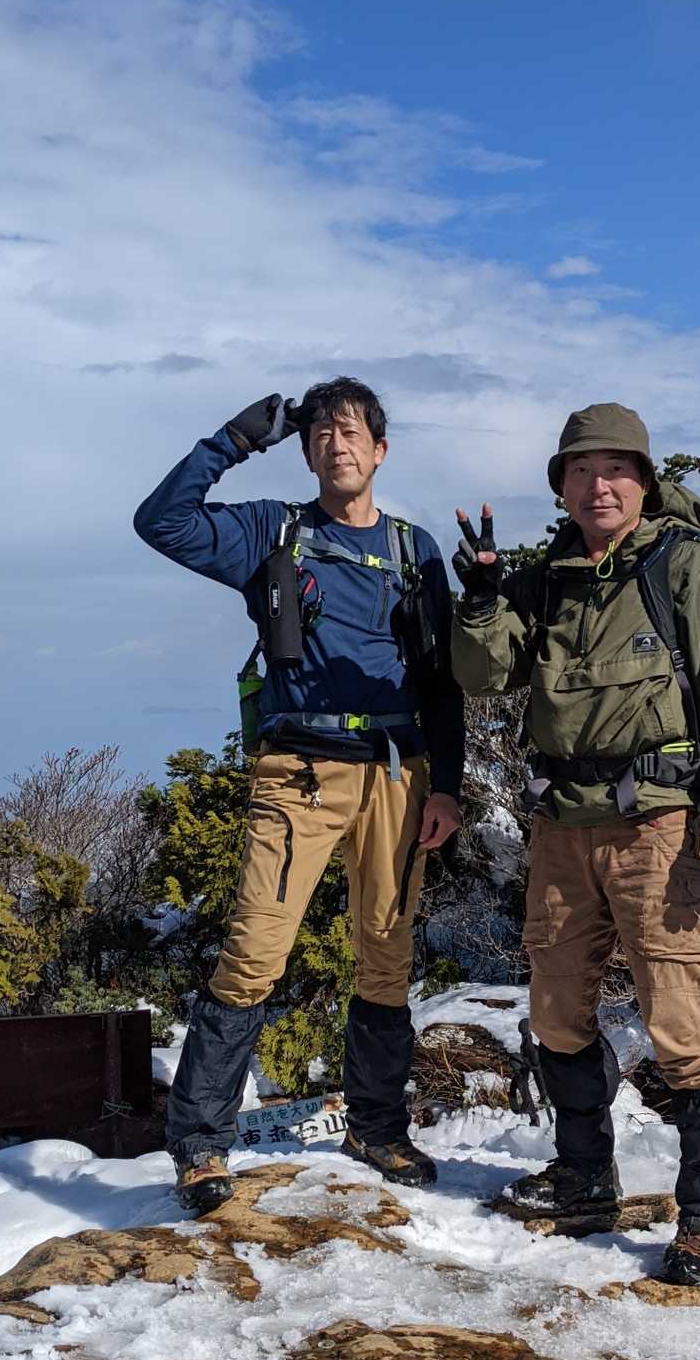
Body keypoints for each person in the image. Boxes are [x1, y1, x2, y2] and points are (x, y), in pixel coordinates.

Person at [451, 403, 700, 1285]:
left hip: (659, 826)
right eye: (581, 470)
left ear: (644, 479)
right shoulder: (545, 581)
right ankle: (585, 1178)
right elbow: (483, 675)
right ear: (561, 485)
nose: (599, 485)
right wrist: (481, 600)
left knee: (679, 1023)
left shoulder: (684, 566)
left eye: (616, 469)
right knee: (556, 1012)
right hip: (562, 827)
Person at [134, 378, 464, 1211]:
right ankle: (201, 1147)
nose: (335, 444)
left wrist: (449, 788)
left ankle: (377, 1126)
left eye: (350, 432)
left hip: (397, 773)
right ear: (306, 449)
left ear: (380, 450)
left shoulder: (414, 549)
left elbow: (441, 680)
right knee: (255, 953)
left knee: (386, 953)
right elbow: (161, 521)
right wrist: (235, 439)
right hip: (299, 773)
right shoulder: (271, 531)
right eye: (320, 433)